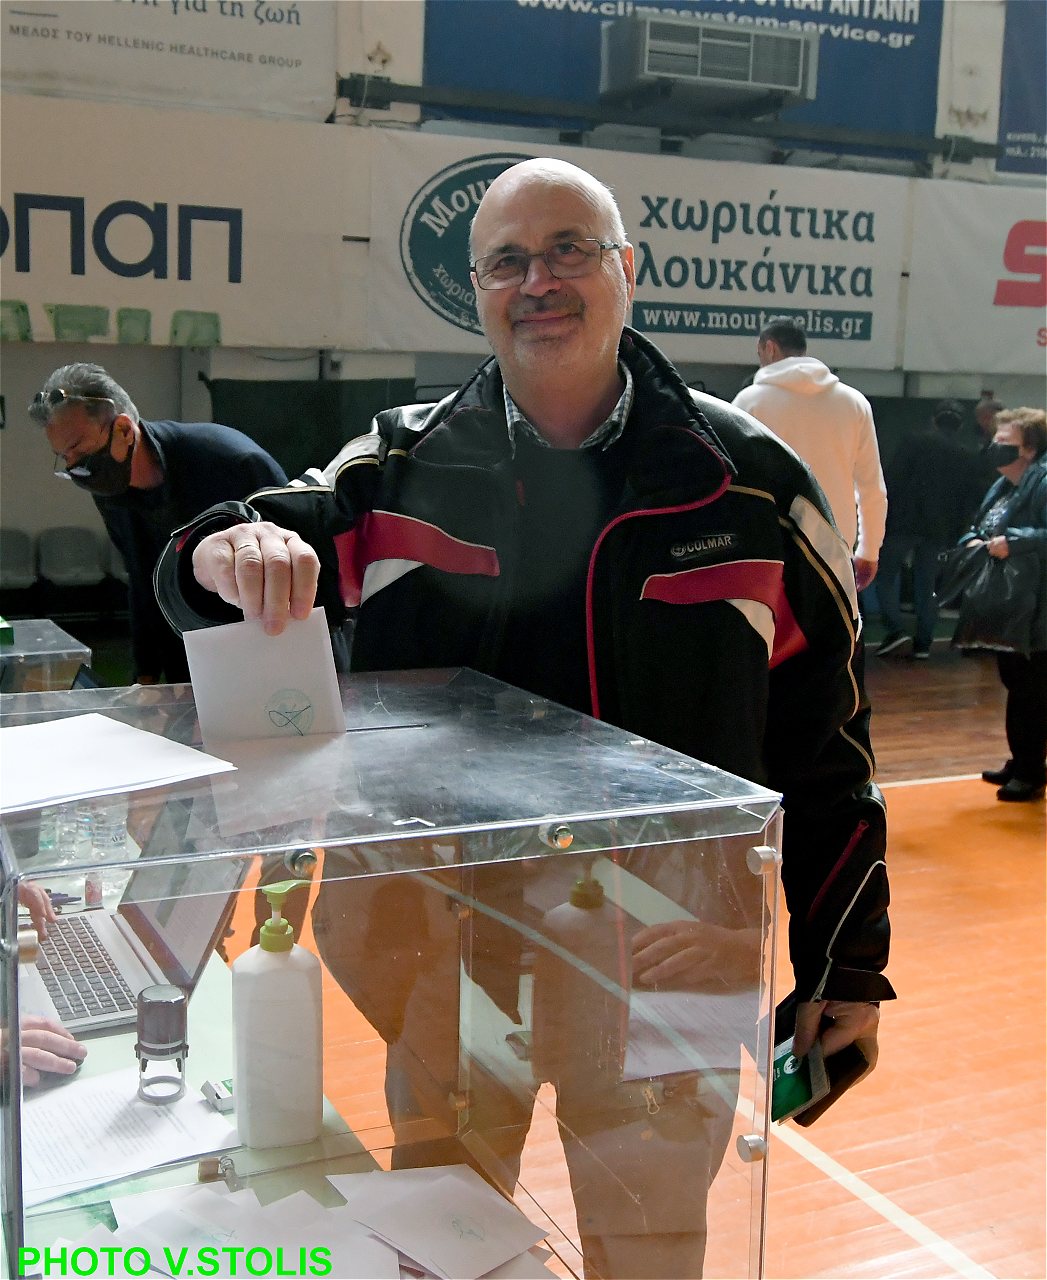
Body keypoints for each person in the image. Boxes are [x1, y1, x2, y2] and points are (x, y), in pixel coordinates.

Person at [155, 158, 893, 1277]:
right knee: (446, 1243)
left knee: (651, 1248)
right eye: (507, 261)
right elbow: (230, 554)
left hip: (666, 956)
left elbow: (828, 745)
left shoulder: (752, 487)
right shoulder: (397, 467)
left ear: (627, 269)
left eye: (567, 251)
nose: (537, 281)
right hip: (447, 955)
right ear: (477, 290)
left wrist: (847, 962)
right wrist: (223, 547)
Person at [29, 365, 288, 684]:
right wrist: (146, 674)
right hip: (186, 654)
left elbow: (288, 569)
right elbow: (141, 579)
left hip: (259, 647)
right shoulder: (111, 488)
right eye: (64, 458)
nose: (75, 467)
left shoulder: (233, 463)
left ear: (124, 430)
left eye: (78, 450)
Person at [732, 316, 887, 592]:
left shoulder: (748, 402)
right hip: (834, 551)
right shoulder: (854, 403)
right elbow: (871, 488)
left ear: (770, 348)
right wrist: (868, 551)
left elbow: (734, 483)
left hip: (769, 547)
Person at [960, 407, 1047, 802]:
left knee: (1031, 688)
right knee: (1017, 682)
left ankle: (1030, 771)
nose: (995, 446)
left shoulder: (1042, 482)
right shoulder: (1003, 485)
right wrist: (973, 541)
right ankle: (1024, 760)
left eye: (1005, 441)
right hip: (1013, 601)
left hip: (1038, 603)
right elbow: (979, 525)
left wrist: (1015, 541)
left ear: (1029, 449)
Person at [875, 400, 986, 659]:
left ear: (934, 420)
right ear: (960, 426)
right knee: (927, 586)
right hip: (938, 530)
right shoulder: (966, 455)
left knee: (886, 577)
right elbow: (967, 500)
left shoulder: (913, 442)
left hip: (903, 523)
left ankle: (896, 630)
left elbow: (892, 480)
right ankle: (923, 643)